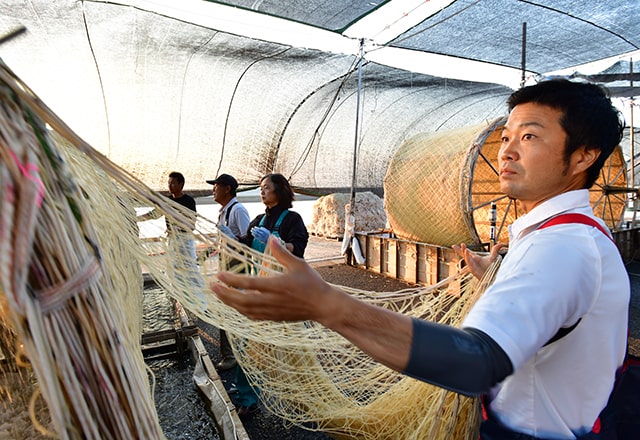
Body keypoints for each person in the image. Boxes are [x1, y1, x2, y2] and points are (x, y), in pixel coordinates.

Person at [211, 80, 630, 438]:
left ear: (583, 157)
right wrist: (500, 278)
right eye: (506, 137)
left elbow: (477, 363)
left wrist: (326, 303)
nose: (506, 151)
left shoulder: (562, 247)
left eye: (530, 137)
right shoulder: (566, 236)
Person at [232, 173, 309, 417]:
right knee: (249, 344)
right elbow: (244, 244)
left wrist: (275, 241)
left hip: (283, 293)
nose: (262, 191)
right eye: (260, 188)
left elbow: (297, 250)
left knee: (291, 348)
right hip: (259, 291)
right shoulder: (258, 220)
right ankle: (246, 395)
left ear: (280, 191)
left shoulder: (292, 219)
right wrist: (229, 238)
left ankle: (302, 394)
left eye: (266, 187)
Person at [206, 173, 250, 371]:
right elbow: (222, 240)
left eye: (216, 186)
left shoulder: (238, 210)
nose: (213, 189)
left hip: (237, 268)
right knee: (226, 310)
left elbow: (247, 244)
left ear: (227, 189)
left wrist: (233, 238)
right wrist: (207, 252)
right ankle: (232, 353)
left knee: (233, 311)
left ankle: (234, 355)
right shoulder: (223, 212)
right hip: (226, 265)